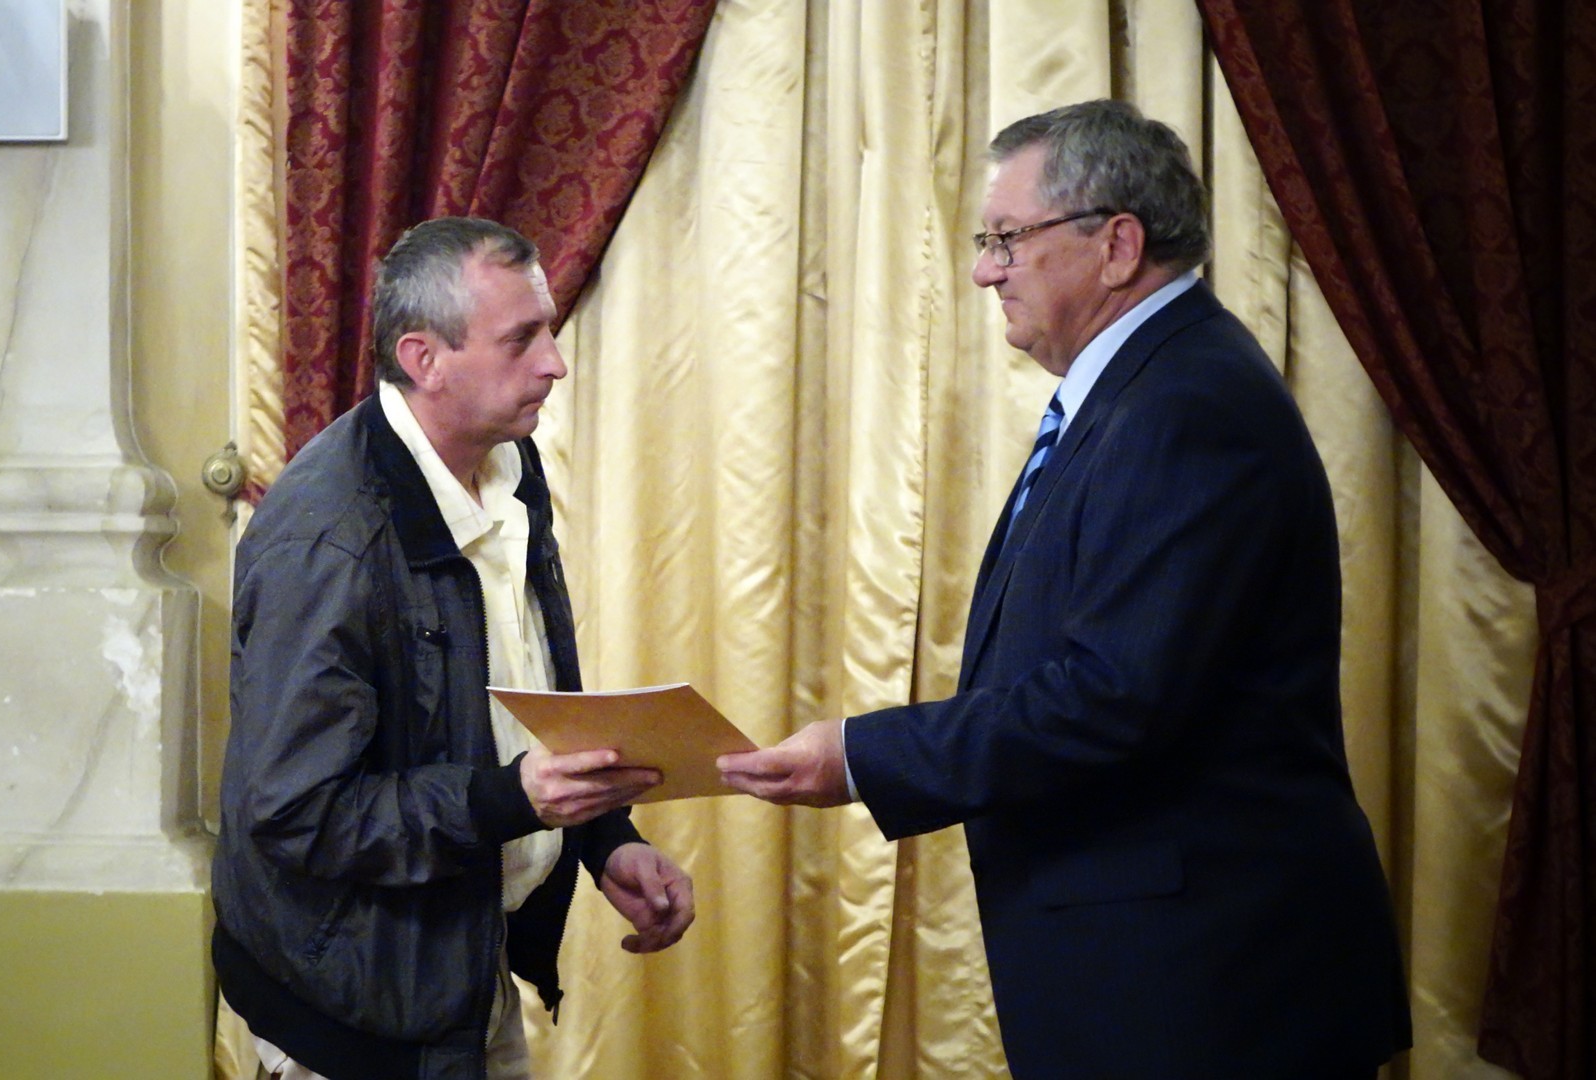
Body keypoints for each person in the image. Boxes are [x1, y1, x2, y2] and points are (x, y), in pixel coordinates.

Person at [719, 100, 1411, 1079]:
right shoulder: (1152, 386)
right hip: (1161, 973)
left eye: (1007, 239)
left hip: (1204, 990)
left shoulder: (1186, 405)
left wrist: (863, 756)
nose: (984, 271)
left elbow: (1113, 697)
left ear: (1117, 245)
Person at [212, 216, 694, 1080]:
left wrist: (604, 837)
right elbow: (297, 812)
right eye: (522, 339)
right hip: (351, 1010)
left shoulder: (509, 461)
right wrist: (511, 800)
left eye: (549, 332)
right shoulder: (327, 543)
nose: (555, 363)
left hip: (461, 965)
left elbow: (518, 685)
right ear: (424, 359)